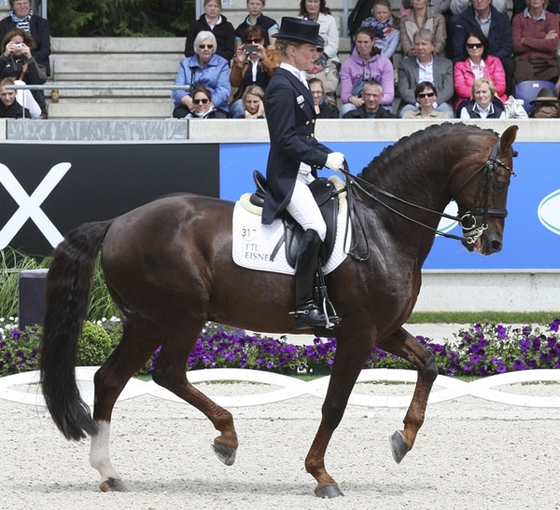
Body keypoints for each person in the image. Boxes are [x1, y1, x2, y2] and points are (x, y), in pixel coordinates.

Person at [263, 17, 344, 329]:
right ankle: (304, 306)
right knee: (317, 227)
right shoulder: (281, 86)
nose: (317, 55)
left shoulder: (296, 82)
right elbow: (284, 141)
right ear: (293, 50)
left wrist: (327, 154)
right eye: (312, 49)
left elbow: (304, 136)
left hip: (304, 172)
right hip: (288, 176)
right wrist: (322, 158)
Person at [451, 0, 514, 95]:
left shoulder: (502, 19)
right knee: (457, 63)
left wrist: (488, 60)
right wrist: (476, 58)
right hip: (470, 58)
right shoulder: (462, 19)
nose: (479, 1)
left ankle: (505, 98)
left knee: (508, 64)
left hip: (495, 59)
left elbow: (507, 47)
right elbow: (458, 48)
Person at [0, 0, 50, 116]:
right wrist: (6, 54)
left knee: (22, 84)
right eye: (18, 4)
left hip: (33, 64)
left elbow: (46, 49)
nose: (23, 7)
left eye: (25, 3)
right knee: (18, 84)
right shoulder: (3, 25)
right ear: (12, 6)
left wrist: (29, 56)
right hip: (8, 82)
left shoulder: (40, 23)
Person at [173, 31, 231, 118]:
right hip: (190, 106)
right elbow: (177, 88)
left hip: (214, 106)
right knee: (179, 114)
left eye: (210, 46)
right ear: (197, 48)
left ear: (213, 48)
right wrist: (188, 101)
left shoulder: (222, 63)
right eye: (202, 46)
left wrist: (208, 103)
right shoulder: (185, 64)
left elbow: (224, 89)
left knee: (218, 117)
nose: (206, 49)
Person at [398, 28, 455, 117]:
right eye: (417, 44)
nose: (420, 47)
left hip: (438, 103)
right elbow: (403, 90)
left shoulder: (446, 64)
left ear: (432, 46)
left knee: (448, 114)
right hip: (413, 103)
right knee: (405, 114)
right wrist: (420, 102)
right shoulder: (405, 65)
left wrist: (433, 103)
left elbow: (448, 90)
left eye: (424, 44)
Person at [339, 26, 394, 118]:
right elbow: (345, 95)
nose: (362, 46)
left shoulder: (385, 63)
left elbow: (389, 95)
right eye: (359, 42)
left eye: (366, 42)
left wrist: (372, 100)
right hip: (357, 103)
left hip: (379, 102)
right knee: (346, 109)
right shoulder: (347, 65)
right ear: (355, 42)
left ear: (373, 42)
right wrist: (352, 99)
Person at [229, 25, 280, 118]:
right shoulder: (239, 58)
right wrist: (240, 63)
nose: (253, 44)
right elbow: (234, 83)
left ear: (263, 41)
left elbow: (278, 76)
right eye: (249, 41)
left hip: (268, 97)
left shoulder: (273, 55)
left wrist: (264, 59)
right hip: (245, 99)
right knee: (237, 107)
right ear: (244, 43)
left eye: (257, 41)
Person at [512, 0, 560, 93]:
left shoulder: (552, 18)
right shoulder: (518, 19)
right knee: (519, 73)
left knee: (556, 72)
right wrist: (543, 40)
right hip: (525, 60)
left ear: (544, 1)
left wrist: (525, 40)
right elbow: (516, 46)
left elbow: (551, 46)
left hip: (547, 62)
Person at [453, 30, 507, 112]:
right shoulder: (459, 66)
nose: (474, 48)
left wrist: (486, 95)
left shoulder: (495, 62)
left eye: (478, 45)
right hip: (468, 101)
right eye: (471, 46)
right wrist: (478, 95)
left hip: (493, 99)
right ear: (466, 47)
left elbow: (501, 86)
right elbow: (460, 89)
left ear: (484, 46)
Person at [0, 28, 44, 119]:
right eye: (13, 44)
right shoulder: (4, 60)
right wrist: (5, 56)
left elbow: (39, 81)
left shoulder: (33, 60)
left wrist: (29, 57)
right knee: (17, 84)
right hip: (6, 99)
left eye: (20, 43)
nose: (17, 47)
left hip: (30, 99)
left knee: (19, 84)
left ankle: (20, 114)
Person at [305, 36, 339, 104]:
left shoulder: (330, 65)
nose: (316, 52)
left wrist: (310, 82)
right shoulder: (302, 64)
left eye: (319, 49)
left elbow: (332, 86)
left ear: (323, 50)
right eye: (313, 49)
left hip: (327, 102)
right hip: (306, 101)